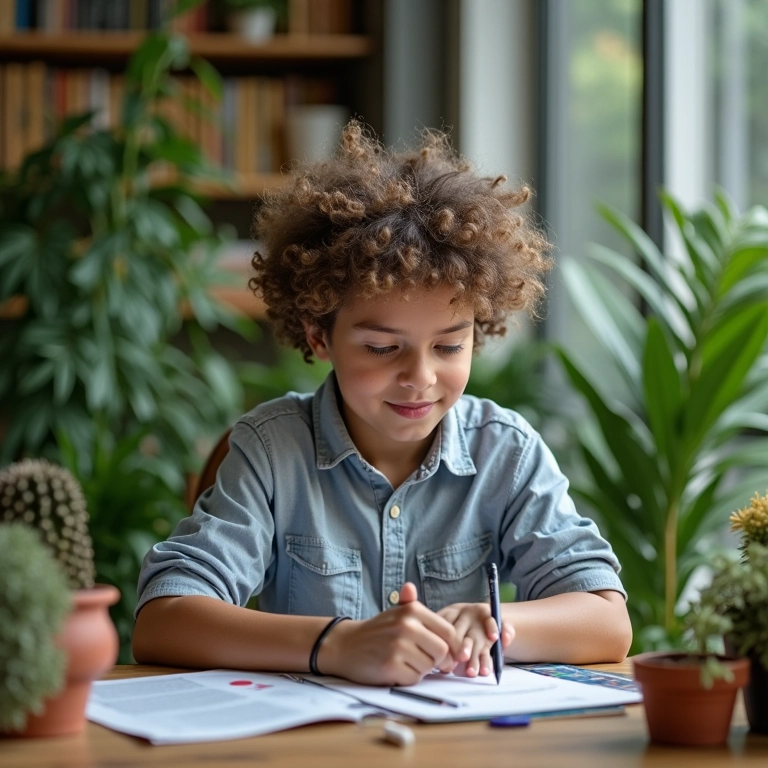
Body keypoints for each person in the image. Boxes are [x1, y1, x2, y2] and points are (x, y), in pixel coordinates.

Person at [133, 121, 632, 685]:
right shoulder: (273, 451)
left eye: (449, 346)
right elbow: (163, 621)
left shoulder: (506, 453)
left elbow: (608, 622)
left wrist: (498, 623)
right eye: (381, 348)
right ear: (319, 336)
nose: (420, 377)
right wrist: (336, 644)